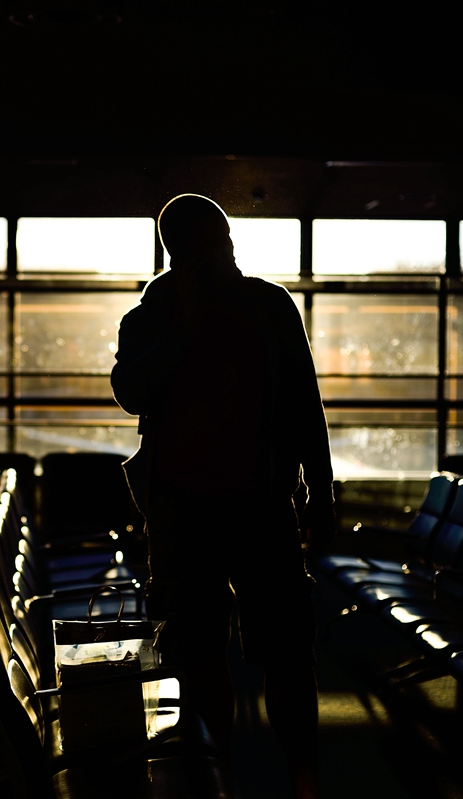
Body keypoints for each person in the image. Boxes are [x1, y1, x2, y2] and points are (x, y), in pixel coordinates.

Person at [110, 194, 335, 799]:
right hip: (209, 507)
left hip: (230, 504)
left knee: (274, 647)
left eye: (216, 243)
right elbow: (131, 391)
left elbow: (302, 402)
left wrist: (321, 489)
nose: (214, 256)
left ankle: (277, 774)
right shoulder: (161, 314)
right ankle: (239, 774)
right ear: (179, 252)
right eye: (201, 246)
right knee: (210, 648)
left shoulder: (262, 306)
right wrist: (185, 324)